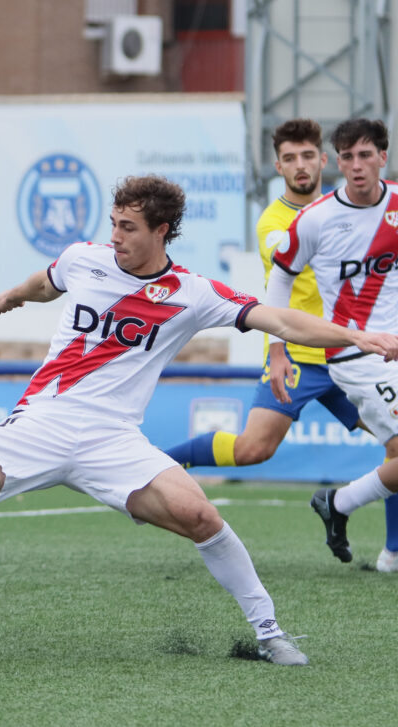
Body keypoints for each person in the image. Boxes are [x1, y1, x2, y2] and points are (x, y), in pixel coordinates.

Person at [0, 175, 398, 666]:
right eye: (113, 223)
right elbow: (47, 281)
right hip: (41, 423)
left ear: (161, 231)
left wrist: (355, 336)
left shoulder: (192, 293)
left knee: (201, 516)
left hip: (114, 441)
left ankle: (269, 632)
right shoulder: (84, 259)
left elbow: (282, 320)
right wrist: (14, 296)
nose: (114, 236)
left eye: (128, 228)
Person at [163, 120, 398, 571]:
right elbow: (285, 269)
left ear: (321, 161)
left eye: (308, 156)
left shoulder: (360, 211)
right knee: (254, 448)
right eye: (290, 159)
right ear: (279, 167)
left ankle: (391, 549)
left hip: (361, 349)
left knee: (393, 447)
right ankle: (158, 464)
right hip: (305, 355)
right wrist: (275, 349)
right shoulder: (285, 223)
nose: (301, 165)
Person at [269, 118, 398, 568]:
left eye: (366, 155)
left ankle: (354, 520)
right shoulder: (316, 219)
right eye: (348, 157)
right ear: (337, 161)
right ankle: (343, 507)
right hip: (355, 355)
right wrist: (276, 348)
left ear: (384, 156)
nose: (357, 166)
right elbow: (279, 282)